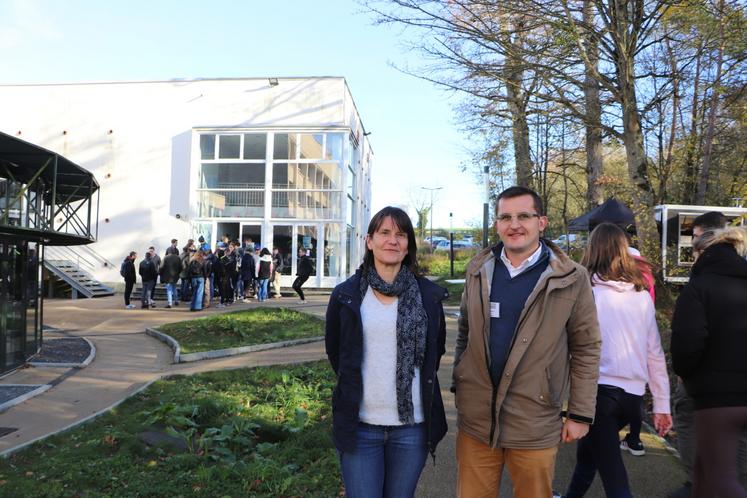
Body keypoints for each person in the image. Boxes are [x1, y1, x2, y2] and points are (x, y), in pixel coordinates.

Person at [453, 186, 601, 498]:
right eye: (505, 217)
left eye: (523, 216)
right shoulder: (478, 270)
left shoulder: (572, 278)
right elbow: (465, 329)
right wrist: (460, 377)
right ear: (497, 225)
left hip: (534, 420)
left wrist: (580, 413)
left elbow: (586, 347)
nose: (514, 224)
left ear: (542, 222)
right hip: (477, 420)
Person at [325, 206, 448, 498]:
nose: (393, 240)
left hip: (411, 428)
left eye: (401, 234)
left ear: (408, 246)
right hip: (361, 426)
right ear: (369, 241)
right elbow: (336, 352)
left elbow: (436, 351)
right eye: (384, 233)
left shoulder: (428, 297)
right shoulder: (347, 295)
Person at [560, 223, 672, 498]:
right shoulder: (642, 297)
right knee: (590, 455)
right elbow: (654, 353)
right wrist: (661, 404)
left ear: (592, 250)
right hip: (632, 399)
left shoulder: (585, 293)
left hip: (597, 395)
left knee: (614, 477)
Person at [667, 212, 747, 498]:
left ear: (702, 251)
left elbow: (687, 344)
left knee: (719, 477)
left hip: (715, 398)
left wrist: (686, 375)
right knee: (724, 472)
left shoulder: (699, 287)